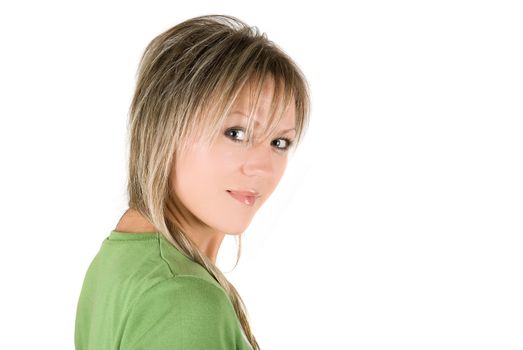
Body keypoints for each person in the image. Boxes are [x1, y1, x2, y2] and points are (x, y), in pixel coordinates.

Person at [74, 14, 310, 350]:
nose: (263, 166)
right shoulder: (182, 296)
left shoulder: (120, 258)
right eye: (236, 133)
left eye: (280, 142)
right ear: (166, 128)